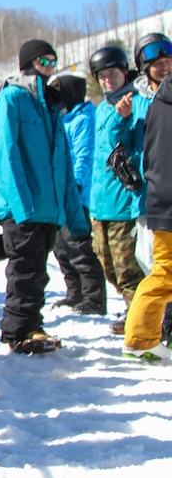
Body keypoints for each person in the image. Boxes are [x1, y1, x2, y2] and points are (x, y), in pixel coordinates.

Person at [0, 39, 88, 354]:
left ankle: (31, 326)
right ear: (28, 64)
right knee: (24, 272)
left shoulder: (51, 107)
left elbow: (63, 164)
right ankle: (18, 331)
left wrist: (73, 215)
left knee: (37, 274)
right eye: (44, 61)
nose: (50, 67)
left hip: (47, 208)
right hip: (23, 208)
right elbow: (5, 155)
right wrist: (21, 207)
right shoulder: (11, 99)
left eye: (53, 61)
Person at [88, 44, 146, 335]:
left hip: (124, 201)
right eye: (102, 76)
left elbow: (127, 147)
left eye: (112, 74)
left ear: (125, 72)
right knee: (107, 265)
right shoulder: (103, 107)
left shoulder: (136, 101)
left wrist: (122, 119)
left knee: (128, 268)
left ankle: (141, 320)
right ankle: (133, 309)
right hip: (100, 203)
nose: (108, 81)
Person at [123, 44, 172, 359]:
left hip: (160, 198)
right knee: (166, 273)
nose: (165, 67)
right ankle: (140, 339)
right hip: (165, 201)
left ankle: (143, 337)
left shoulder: (158, 102)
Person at [47, 73, 106, 315]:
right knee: (61, 247)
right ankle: (75, 292)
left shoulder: (82, 119)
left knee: (79, 246)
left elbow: (85, 154)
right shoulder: (64, 118)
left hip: (76, 195)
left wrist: (78, 184)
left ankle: (94, 297)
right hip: (60, 192)